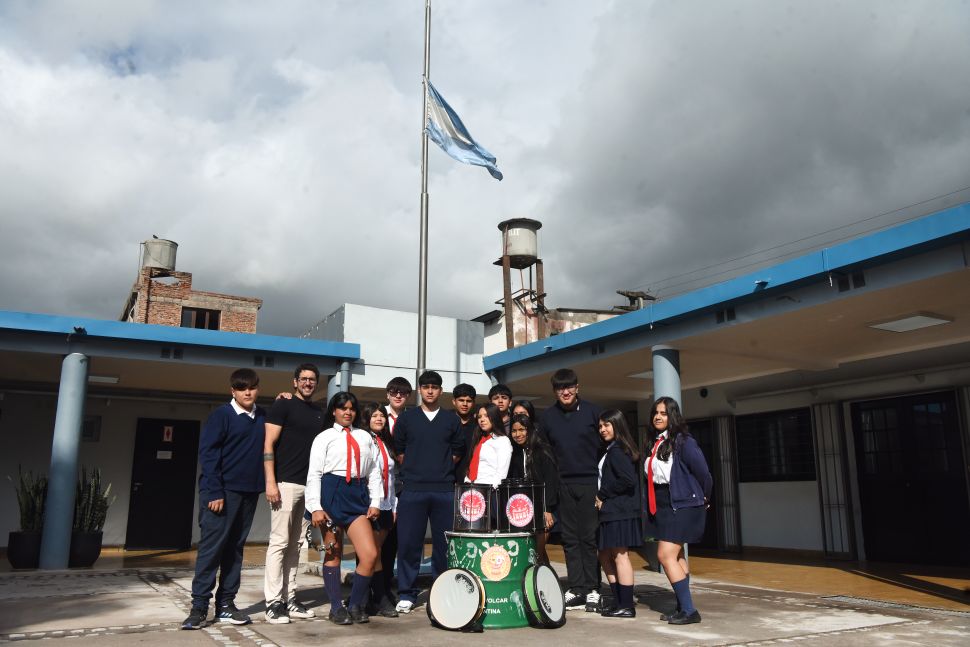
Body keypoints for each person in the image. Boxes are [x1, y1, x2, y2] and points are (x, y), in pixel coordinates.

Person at [181, 369, 266, 630]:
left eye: (251, 387)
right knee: (211, 550)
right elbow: (208, 455)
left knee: (235, 550)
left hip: (248, 493)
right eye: (242, 388)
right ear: (233, 391)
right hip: (220, 493)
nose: (247, 392)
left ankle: (226, 605)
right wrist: (215, 491)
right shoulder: (222, 415)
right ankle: (198, 608)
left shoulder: (262, 416)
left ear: (257, 389)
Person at [305, 392, 383, 625]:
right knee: (333, 551)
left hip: (357, 496)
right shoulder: (324, 437)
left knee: (369, 554)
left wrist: (375, 502)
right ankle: (336, 607)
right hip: (332, 493)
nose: (347, 412)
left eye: (351, 408)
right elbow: (314, 474)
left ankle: (356, 604)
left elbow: (374, 472)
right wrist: (316, 507)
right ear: (334, 411)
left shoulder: (365, 437)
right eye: (342, 408)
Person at [392, 370, 465, 614]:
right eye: (426, 387)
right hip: (413, 488)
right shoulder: (407, 418)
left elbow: (456, 452)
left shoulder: (451, 420)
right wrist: (417, 468)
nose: (430, 390)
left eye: (434, 387)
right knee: (409, 543)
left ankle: (441, 590)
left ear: (440, 391)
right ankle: (406, 593)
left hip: (443, 489)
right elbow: (399, 451)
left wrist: (438, 468)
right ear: (420, 390)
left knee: (444, 546)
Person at [261, 363, 323, 624]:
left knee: (298, 545)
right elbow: (268, 443)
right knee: (279, 543)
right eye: (304, 379)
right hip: (284, 484)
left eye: (312, 380)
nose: (308, 383)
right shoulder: (282, 405)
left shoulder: (319, 412)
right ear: (294, 382)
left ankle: (290, 598)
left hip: (309, 487)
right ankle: (273, 603)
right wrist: (270, 481)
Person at [643, 396, 713, 625]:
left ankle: (690, 611)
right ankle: (684, 606)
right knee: (677, 555)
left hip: (682, 503)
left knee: (665, 555)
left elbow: (703, 472)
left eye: (663, 413)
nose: (658, 416)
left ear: (673, 416)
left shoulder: (684, 441)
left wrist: (704, 497)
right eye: (655, 412)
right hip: (664, 503)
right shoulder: (656, 442)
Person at [538, 368, 603, 612]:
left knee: (588, 537)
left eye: (569, 387)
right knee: (569, 539)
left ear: (577, 387)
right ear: (554, 391)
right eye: (559, 388)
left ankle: (593, 588)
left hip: (589, 483)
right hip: (562, 483)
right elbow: (544, 454)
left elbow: (604, 447)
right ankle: (576, 588)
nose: (565, 391)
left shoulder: (593, 412)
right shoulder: (547, 417)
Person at [594, 410, 642, 618]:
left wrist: (602, 494)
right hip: (612, 511)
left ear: (617, 425)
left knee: (620, 556)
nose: (602, 429)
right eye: (601, 426)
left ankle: (626, 606)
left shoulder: (618, 451)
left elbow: (628, 480)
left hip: (619, 511)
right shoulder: (611, 449)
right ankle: (619, 601)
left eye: (607, 425)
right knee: (605, 555)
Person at [359, 401, 399, 618]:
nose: (379, 419)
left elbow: (392, 477)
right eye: (374, 415)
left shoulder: (386, 442)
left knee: (377, 553)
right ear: (366, 418)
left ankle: (370, 597)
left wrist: (394, 505)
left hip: (387, 504)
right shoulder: (363, 440)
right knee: (371, 552)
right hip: (368, 504)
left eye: (382, 415)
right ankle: (376, 598)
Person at [507, 413, 558, 564]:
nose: (518, 434)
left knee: (537, 550)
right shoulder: (516, 453)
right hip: (524, 509)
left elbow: (551, 481)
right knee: (534, 552)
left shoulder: (542, 450)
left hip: (543, 508)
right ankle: (543, 581)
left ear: (529, 430)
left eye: (522, 430)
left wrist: (547, 509)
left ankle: (543, 584)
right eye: (514, 431)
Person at [378, 376, 411, 606]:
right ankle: (372, 585)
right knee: (376, 536)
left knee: (397, 537)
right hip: (379, 483)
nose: (398, 395)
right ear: (388, 394)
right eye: (394, 391)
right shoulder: (378, 415)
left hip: (405, 483)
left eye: (403, 392)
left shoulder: (412, 418)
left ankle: (387, 584)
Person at [465, 403, 513, 486]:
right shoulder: (479, 439)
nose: (482, 420)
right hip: (471, 488)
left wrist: (490, 490)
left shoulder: (502, 440)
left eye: (486, 416)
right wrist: (467, 481)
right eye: (479, 417)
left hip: (489, 490)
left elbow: (501, 473)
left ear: (495, 417)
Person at [452, 383, 479, 482]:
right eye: (461, 400)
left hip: (473, 480)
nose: (465, 404)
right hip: (448, 479)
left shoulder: (479, 426)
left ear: (473, 403)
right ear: (454, 401)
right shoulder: (445, 423)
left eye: (468, 401)